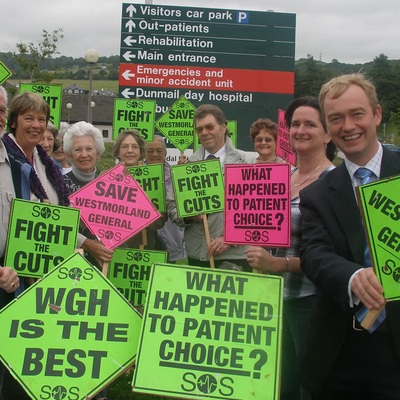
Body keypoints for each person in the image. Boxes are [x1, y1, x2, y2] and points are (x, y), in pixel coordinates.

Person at [298, 74, 400, 399]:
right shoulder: (317, 195)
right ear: (328, 129)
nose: (348, 126)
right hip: (341, 351)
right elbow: (314, 254)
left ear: (377, 115)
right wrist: (353, 277)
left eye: (357, 114)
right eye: (336, 119)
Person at [246, 97, 336, 400]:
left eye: (310, 124)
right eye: (295, 124)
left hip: (310, 302)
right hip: (272, 297)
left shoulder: (334, 181)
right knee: (277, 381)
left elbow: (333, 256)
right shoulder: (284, 176)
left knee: (307, 383)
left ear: (327, 133)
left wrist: (278, 265)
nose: (300, 129)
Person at [167, 104, 251, 271]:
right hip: (199, 254)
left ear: (224, 127)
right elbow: (171, 205)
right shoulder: (187, 166)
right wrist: (188, 214)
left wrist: (230, 239)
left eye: (209, 127)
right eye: (199, 129)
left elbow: (258, 211)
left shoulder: (247, 162)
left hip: (236, 255)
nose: (204, 132)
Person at [113, 130, 166, 249]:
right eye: (125, 146)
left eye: (135, 147)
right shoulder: (106, 176)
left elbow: (162, 219)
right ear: (117, 152)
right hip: (114, 249)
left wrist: (145, 218)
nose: (130, 151)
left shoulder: (153, 177)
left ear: (141, 152)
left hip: (144, 248)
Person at [146, 135, 186, 262]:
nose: (155, 154)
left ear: (165, 153)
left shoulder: (176, 174)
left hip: (171, 242)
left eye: (159, 150)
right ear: (144, 153)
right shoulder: (136, 174)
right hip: (144, 242)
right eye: (150, 151)